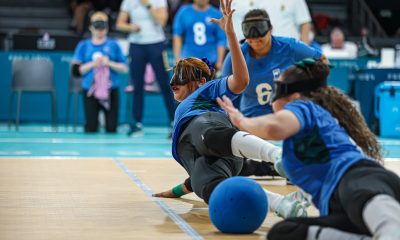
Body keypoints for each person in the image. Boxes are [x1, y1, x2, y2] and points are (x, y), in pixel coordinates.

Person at [153, 0, 309, 219]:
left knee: (204, 132)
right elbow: (193, 176)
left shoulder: (207, 90)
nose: (173, 84)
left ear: (200, 81)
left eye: (180, 77)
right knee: (206, 186)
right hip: (211, 155)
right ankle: (282, 204)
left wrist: (231, 36)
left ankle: (278, 156)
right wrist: (175, 191)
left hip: (214, 134)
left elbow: (241, 81)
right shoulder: (184, 121)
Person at [217, 58, 400, 240]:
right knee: (284, 233)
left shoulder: (305, 106)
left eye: (278, 89)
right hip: (338, 205)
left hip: (358, 181)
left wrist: (241, 121)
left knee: (389, 230)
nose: (272, 98)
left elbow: (273, 128)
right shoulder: (309, 127)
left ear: (295, 95)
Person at [222, 9, 324, 118]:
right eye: (248, 29)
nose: (255, 36)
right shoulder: (235, 57)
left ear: (270, 29)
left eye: (260, 27)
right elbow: (225, 93)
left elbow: (322, 61)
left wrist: (313, 95)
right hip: (252, 119)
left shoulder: (289, 47)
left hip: (288, 116)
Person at [116, 0, 175, 136]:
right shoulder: (128, 1)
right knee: (137, 85)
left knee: (164, 84)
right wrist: (131, 28)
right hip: (136, 45)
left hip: (156, 43)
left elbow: (162, 21)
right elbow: (120, 23)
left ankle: (174, 121)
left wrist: (147, 4)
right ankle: (136, 124)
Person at [72, 11, 128, 133]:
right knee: (91, 128)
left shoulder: (114, 45)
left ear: (106, 28)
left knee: (111, 128)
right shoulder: (83, 45)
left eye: (102, 27)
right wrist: (93, 64)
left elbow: (124, 68)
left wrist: (109, 63)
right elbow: (76, 71)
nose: (100, 31)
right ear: (91, 27)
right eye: (97, 27)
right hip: (90, 90)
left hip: (111, 89)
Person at [173, 0, 226, 73]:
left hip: (210, 61)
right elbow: (177, 35)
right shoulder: (183, 12)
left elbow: (221, 39)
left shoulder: (216, 13)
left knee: (209, 84)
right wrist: (177, 59)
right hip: (188, 60)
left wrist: (219, 61)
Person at [231, 0, 312, 45]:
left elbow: (305, 23)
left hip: (290, 47)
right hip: (266, 49)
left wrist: (304, 48)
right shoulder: (257, 2)